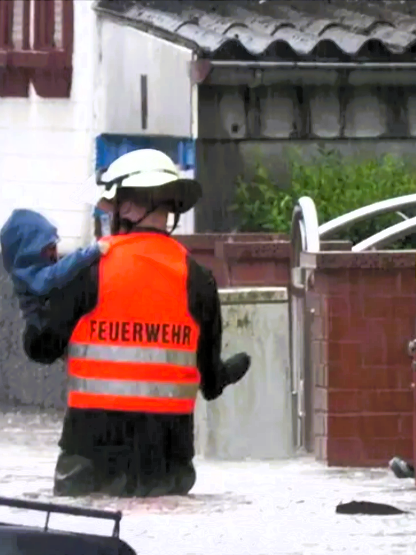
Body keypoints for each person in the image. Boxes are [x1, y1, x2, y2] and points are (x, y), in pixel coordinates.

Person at [22, 148, 252, 497]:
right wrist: (229, 371)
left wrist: (32, 299)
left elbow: (40, 348)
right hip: (166, 467)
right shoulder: (198, 280)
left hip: (89, 461)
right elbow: (210, 383)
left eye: (111, 207)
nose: (107, 216)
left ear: (128, 208)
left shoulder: (87, 270)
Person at [0, 208, 109, 323]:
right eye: (49, 247)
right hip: (40, 334)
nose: (54, 252)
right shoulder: (29, 277)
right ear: (31, 251)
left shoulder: (29, 271)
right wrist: (90, 253)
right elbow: (54, 275)